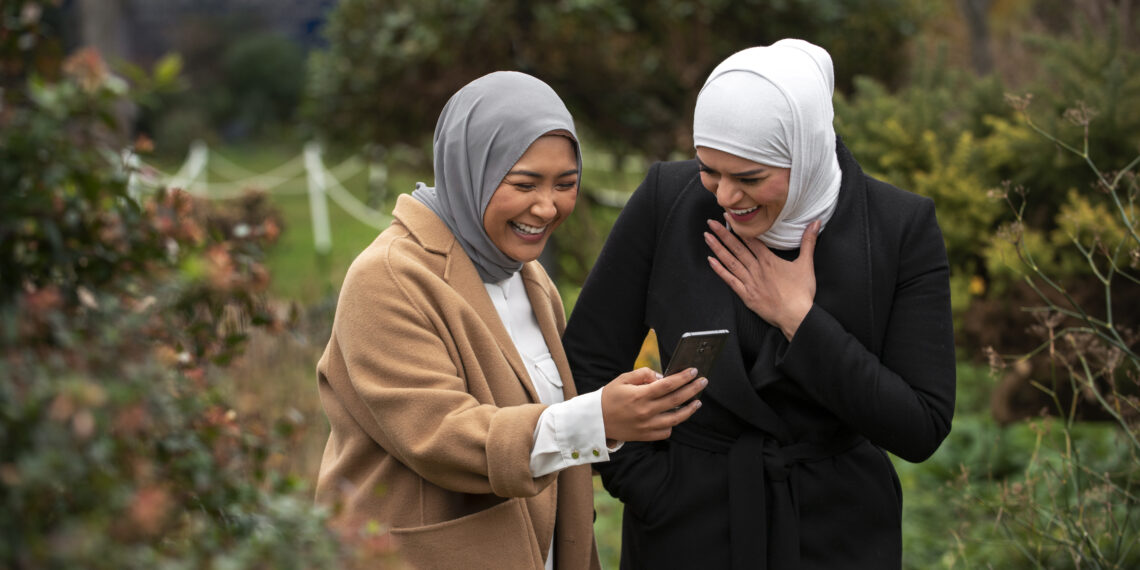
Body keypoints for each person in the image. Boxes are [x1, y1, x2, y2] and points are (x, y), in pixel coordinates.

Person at [563, 39, 956, 569]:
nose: (725, 196)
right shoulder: (668, 201)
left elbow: (920, 426)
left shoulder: (898, 228)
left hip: (837, 534)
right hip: (685, 531)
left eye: (750, 177)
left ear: (806, 152)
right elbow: (585, 363)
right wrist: (650, 486)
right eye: (709, 169)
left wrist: (799, 320)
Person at [314, 71, 705, 570]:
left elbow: (544, 430)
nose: (546, 207)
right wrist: (594, 419)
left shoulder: (529, 279)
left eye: (566, 184)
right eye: (524, 183)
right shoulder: (389, 276)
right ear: (469, 170)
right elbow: (439, 436)